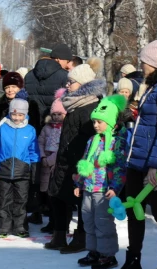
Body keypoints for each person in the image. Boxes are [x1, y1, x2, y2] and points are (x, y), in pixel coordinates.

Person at [108, 40, 157, 269]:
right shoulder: (156, 84)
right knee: (133, 210)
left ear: (156, 61)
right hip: (139, 161)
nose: (141, 64)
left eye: (145, 60)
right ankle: (132, 261)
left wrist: (155, 165)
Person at [46, 58, 106, 254]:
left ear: (84, 84)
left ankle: (81, 237)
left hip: (80, 163)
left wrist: (79, 166)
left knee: (81, 203)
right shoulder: (74, 105)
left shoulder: (89, 107)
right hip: (66, 160)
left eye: (71, 81)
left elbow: (89, 141)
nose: (67, 85)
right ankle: (59, 234)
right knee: (57, 196)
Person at [74, 95, 127, 269]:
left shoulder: (116, 142)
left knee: (103, 222)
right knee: (88, 220)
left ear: (111, 122)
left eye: (100, 122)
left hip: (104, 190)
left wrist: (115, 187)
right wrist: (79, 183)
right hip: (89, 187)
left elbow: (120, 167)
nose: (96, 125)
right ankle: (94, 251)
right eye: (94, 122)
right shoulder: (92, 140)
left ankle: (108, 254)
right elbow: (85, 161)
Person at [0, 97, 39, 238]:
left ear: (25, 114)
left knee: (21, 201)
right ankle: (4, 227)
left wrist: (34, 171)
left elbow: (33, 152)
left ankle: (20, 227)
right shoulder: (3, 128)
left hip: (22, 172)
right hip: (4, 171)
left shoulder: (30, 130)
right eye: (14, 114)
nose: (17, 118)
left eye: (20, 115)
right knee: (4, 200)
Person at [24, 44, 72, 128]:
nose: (68, 65)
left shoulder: (29, 75)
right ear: (58, 59)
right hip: (54, 125)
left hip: (30, 123)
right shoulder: (65, 76)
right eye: (67, 61)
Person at [38, 91, 66, 234]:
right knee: (47, 193)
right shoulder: (47, 128)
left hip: (57, 163)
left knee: (56, 194)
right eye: (54, 114)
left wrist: (50, 159)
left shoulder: (65, 129)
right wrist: (43, 157)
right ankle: (50, 220)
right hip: (46, 165)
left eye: (59, 114)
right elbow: (40, 142)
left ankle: (58, 222)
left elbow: (62, 147)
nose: (56, 117)